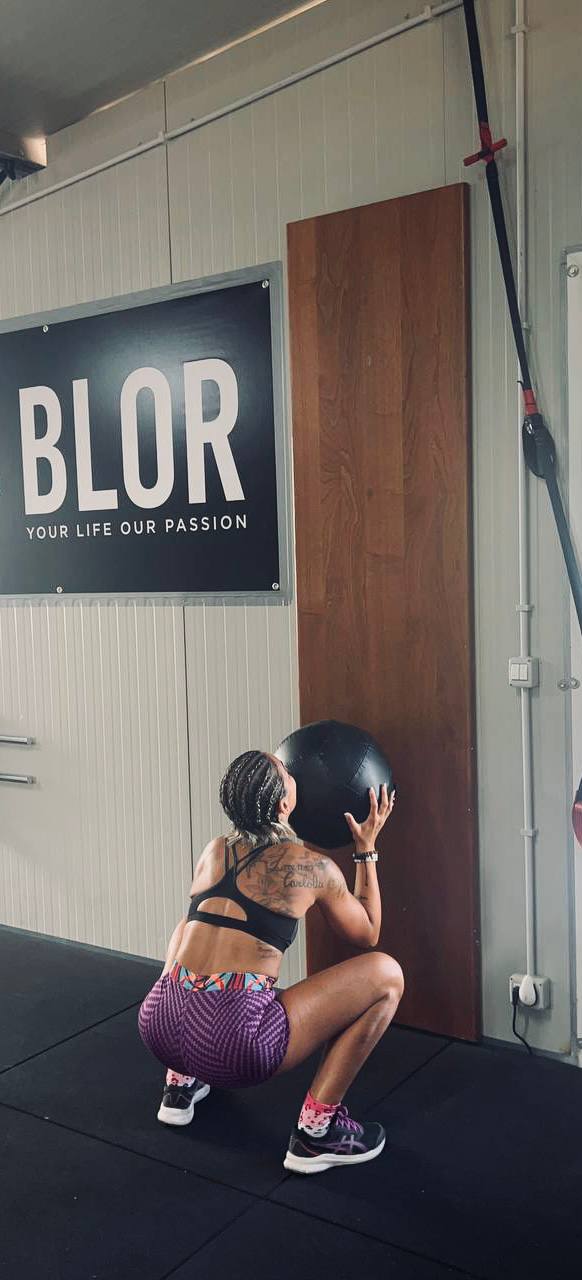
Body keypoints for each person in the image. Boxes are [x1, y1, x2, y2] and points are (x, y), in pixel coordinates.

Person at [138, 749, 401, 1175]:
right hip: (233, 1046)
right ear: (283, 804)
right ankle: (317, 1134)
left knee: (194, 922)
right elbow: (367, 933)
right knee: (387, 974)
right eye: (287, 773)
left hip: (159, 1026)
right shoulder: (311, 868)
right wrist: (365, 848)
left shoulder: (214, 850)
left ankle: (180, 1082)